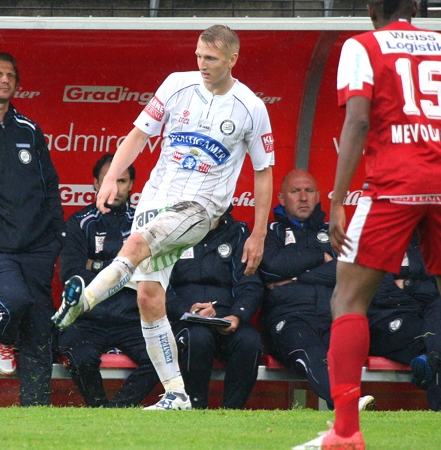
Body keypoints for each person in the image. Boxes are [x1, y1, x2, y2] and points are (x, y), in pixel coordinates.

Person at [52, 24, 275, 410]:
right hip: (155, 200)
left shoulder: (251, 108)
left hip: (200, 208)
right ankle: (176, 394)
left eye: (211, 59)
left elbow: (263, 171)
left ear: (232, 59)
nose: (202, 64)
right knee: (149, 298)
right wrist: (109, 179)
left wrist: (257, 233)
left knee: (135, 245)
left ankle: (82, 302)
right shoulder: (175, 85)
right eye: (199, 56)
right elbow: (138, 134)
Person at [296, 0, 441, 447]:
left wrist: (339, 198)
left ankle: (345, 433)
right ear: (416, 8)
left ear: (370, 9)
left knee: (347, 300)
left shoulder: (362, 46)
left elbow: (359, 121)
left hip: (394, 184)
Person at [0, 52, 66, 406]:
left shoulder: (29, 129)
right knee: (13, 299)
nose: (4, 80)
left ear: (17, 85)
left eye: (10, 75)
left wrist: (56, 237)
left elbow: (49, 185)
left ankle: (35, 413)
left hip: (37, 247)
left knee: (39, 330)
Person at [259, 169, 374, 412]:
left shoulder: (334, 232)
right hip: (289, 318)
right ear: (281, 198)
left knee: (343, 346)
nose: (303, 197)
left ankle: (345, 415)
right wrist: (318, 258)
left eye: (309, 191)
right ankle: (347, 403)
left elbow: (348, 272)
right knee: (311, 349)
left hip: (331, 315)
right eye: (295, 191)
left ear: (318, 195)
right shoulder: (270, 233)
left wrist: (297, 276)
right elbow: (270, 267)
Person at [57, 154, 160, 407]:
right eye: (108, 181)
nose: (114, 188)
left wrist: (97, 265)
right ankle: (99, 407)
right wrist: (124, 269)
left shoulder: (144, 224)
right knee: (77, 354)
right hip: (90, 316)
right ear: (95, 183)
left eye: (121, 181)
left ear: (132, 184)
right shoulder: (80, 222)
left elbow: (150, 271)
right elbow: (71, 274)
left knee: (162, 358)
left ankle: (116, 410)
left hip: (131, 316)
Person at [166, 207, 264, 409]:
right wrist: (190, 311)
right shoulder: (172, 231)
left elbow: (250, 284)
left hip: (227, 318)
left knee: (250, 341)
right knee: (198, 337)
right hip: (184, 320)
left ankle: (232, 413)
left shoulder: (238, 233)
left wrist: (237, 316)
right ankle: (194, 409)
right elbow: (159, 288)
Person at [367, 232, 441, 411]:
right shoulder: (380, 238)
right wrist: (423, 294)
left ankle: (432, 363)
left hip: (427, 320)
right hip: (385, 322)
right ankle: (440, 409)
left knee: (439, 326)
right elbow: (381, 294)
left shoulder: (437, 243)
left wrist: (407, 285)